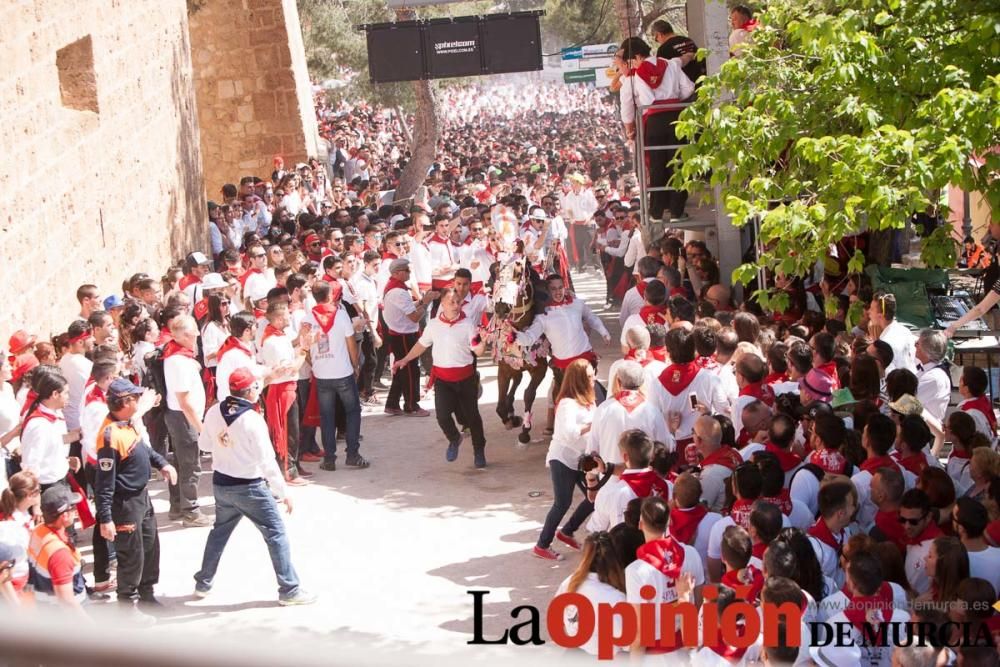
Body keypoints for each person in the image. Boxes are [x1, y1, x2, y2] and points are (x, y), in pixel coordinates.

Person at [195, 368, 315, 606]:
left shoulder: (213, 411)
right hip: (249, 486)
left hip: (221, 482)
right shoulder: (252, 419)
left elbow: (205, 444)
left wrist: (225, 444)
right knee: (276, 533)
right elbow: (267, 462)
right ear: (249, 391)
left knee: (219, 533)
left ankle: (203, 581)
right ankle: (289, 589)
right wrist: (284, 492)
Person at [94, 378, 177, 616]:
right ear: (126, 402)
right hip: (125, 504)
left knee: (150, 549)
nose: (139, 400)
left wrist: (162, 464)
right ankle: (127, 607)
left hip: (142, 498)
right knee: (132, 555)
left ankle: (147, 594)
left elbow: (144, 450)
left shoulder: (127, 424)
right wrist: (106, 517)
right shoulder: (109, 435)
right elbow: (104, 483)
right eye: (135, 397)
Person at [391, 288, 488, 468]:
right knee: (443, 416)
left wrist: (483, 341)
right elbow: (421, 345)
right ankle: (454, 438)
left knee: (472, 417)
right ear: (442, 303)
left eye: (458, 302)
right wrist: (404, 360)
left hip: (465, 379)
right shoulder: (434, 325)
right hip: (443, 380)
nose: (456, 305)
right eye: (451, 302)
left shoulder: (467, 324)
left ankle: (479, 449)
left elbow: (479, 351)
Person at [618, 36, 695, 223]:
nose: (632, 65)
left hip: (653, 120)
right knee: (677, 163)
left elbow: (646, 101)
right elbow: (689, 88)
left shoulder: (637, 74)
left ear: (637, 56)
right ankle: (677, 211)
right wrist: (674, 99)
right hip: (676, 118)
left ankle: (657, 212)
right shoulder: (671, 64)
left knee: (656, 165)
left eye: (632, 61)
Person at [298, 280, 368, 471]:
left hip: (322, 375)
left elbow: (304, 351)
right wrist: (355, 365)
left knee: (327, 416)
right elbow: (351, 343)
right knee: (352, 411)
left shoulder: (306, 319)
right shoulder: (341, 315)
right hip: (343, 372)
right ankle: (352, 454)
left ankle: (329, 458)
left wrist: (316, 365)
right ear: (329, 296)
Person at [533, 360, 597, 561]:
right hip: (562, 459)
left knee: (595, 497)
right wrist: (591, 426)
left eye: (592, 374)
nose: (593, 378)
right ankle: (542, 544)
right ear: (579, 380)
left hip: (581, 459)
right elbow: (569, 434)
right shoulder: (567, 404)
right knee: (562, 503)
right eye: (589, 376)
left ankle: (567, 531)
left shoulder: (589, 400)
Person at [626, 496, 705, 656]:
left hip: (656, 656)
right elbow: (699, 605)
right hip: (688, 650)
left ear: (640, 524)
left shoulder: (636, 571)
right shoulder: (691, 554)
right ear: (669, 522)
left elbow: (641, 635)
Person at [162, 315, 209, 526]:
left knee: (181, 463)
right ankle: (190, 510)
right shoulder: (178, 361)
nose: (196, 338)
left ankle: (177, 505)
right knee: (190, 465)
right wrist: (200, 427)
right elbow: (184, 401)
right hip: (184, 418)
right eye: (193, 335)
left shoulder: (178, 355)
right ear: (182, 336)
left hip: (181, 417)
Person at [552, 532, 627, 657]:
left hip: (573, 654)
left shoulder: (569, 582)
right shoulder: (615, 598)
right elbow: (626, 643)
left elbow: (556, 622)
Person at [381, 258, 437, 417]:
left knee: (401, 369)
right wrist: (425, 303)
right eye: (407, 271)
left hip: (398, 333)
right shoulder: (398, 291)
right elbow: (414, 317)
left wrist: (421, 301)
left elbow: (407, 308)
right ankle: (411, 405)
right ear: (397, 273)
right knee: (411, 370)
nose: (409, 273)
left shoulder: (395, 288)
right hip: (404, 335)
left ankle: (392, 403)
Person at [588, 360, 670, 465]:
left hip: (610, 478)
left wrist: (592, 476)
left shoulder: (603, 409)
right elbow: (666, 446)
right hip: (643, 478)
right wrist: (671, 429)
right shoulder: (652, 410)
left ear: (618, 381)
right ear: (642, 382)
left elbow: (592, 450)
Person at [26, 486, 88, 613]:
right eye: (73, 508)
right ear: (64, 515)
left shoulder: (39, 531)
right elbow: (67, 601)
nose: (75, 511)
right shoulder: (59, 554)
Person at [899, 488, 942, 595]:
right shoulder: (915, 536)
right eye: (903, 520)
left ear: (928, 517)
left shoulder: (938, 549)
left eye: (913, 521)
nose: (907, 526)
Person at [869, 292, 916, 373]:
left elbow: (889, 374)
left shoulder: (884, 343)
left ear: (880, 316)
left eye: (872, 309)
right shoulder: (905, 331)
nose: (868, 312)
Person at [914, 329, 950, 423]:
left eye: (918, 343)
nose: (915, 345)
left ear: (927, 350)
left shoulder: (934, 377)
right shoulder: (927, 371)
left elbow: (906, 403)